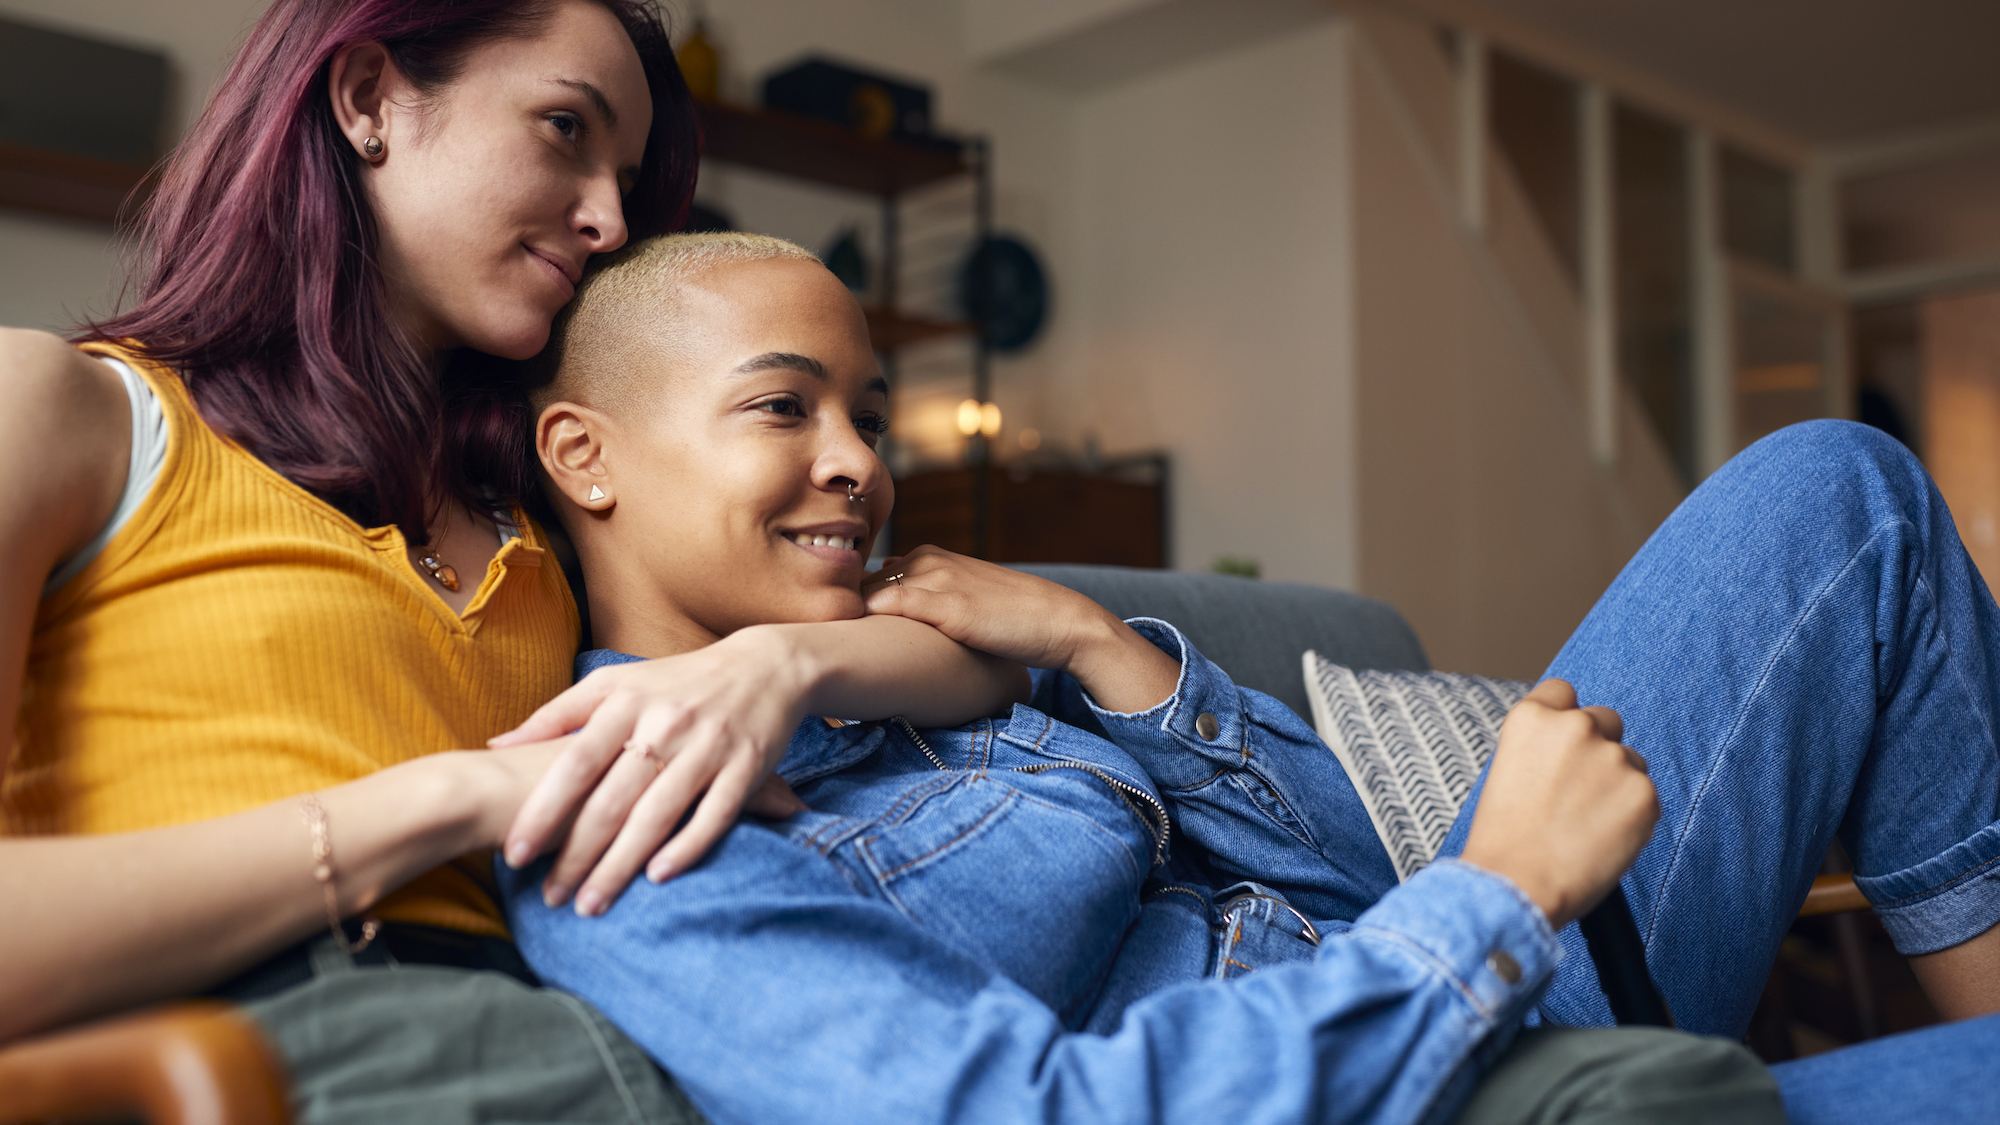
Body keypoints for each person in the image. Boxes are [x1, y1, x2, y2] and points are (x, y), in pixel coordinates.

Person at [498, 230, 2000, 1125]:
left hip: (1485, 977)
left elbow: (1349, 860)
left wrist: (1100, 650)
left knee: (1839, 494)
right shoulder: (629, 829)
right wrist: (1499, 893)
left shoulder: (909, 662)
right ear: (584, 454)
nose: (858, 464)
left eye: (867, 414)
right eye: (783, 407)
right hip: (1456, 1066)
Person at [0, 0, 1026, 1120]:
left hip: (617, 1041)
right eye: (563, 130)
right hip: (281, 1045)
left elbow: (969, 655)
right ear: (370, 96)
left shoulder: (547, 506)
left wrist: (778, 666)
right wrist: (449, 800)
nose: (606, 219)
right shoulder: (63, 406)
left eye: (627, 184)